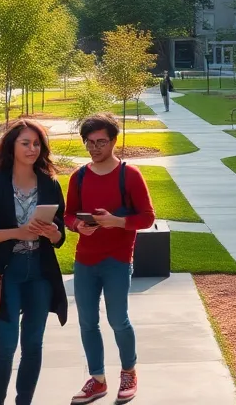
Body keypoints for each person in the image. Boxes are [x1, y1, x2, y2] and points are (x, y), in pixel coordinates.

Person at [0, 119, 66, 405]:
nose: (33, 148)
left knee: (33, 344)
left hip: (40, 271)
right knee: (6, 344)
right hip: (6, 272)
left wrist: (53, 232)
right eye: (26, 143)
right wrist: (17, 232)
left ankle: (24, 401)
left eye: (37, 143)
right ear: (11, 145)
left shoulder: (50, 182)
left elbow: (60, 235)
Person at [66, 114, 156, 404]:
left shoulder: (129, 175)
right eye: (89, 142)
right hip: (85, 260)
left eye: (101, 142)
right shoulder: (78, 176)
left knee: (118, 320)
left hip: (117, 259)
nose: (94, 148)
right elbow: (68, 214)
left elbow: (147, 217)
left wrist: (116, 222)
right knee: (87, 322)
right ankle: (98, 379)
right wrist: (77, 226)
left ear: (114, 141)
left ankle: (129, 372)